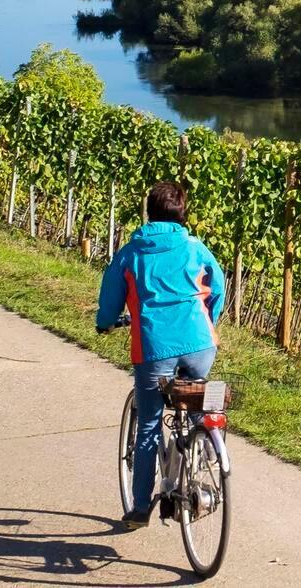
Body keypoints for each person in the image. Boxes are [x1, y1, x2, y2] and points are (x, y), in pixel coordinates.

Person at [96, 180, 226, 529]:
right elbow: (219, 287)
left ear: (148, 213)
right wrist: (207, 322)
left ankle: (140, 509)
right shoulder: (196, 248)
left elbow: (110, 299)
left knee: (150, 424)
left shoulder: (131, 253)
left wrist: (105, 323)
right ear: (183, 215)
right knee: (198, 394)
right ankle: (207, 444)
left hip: (154, 349)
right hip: (201, 345)